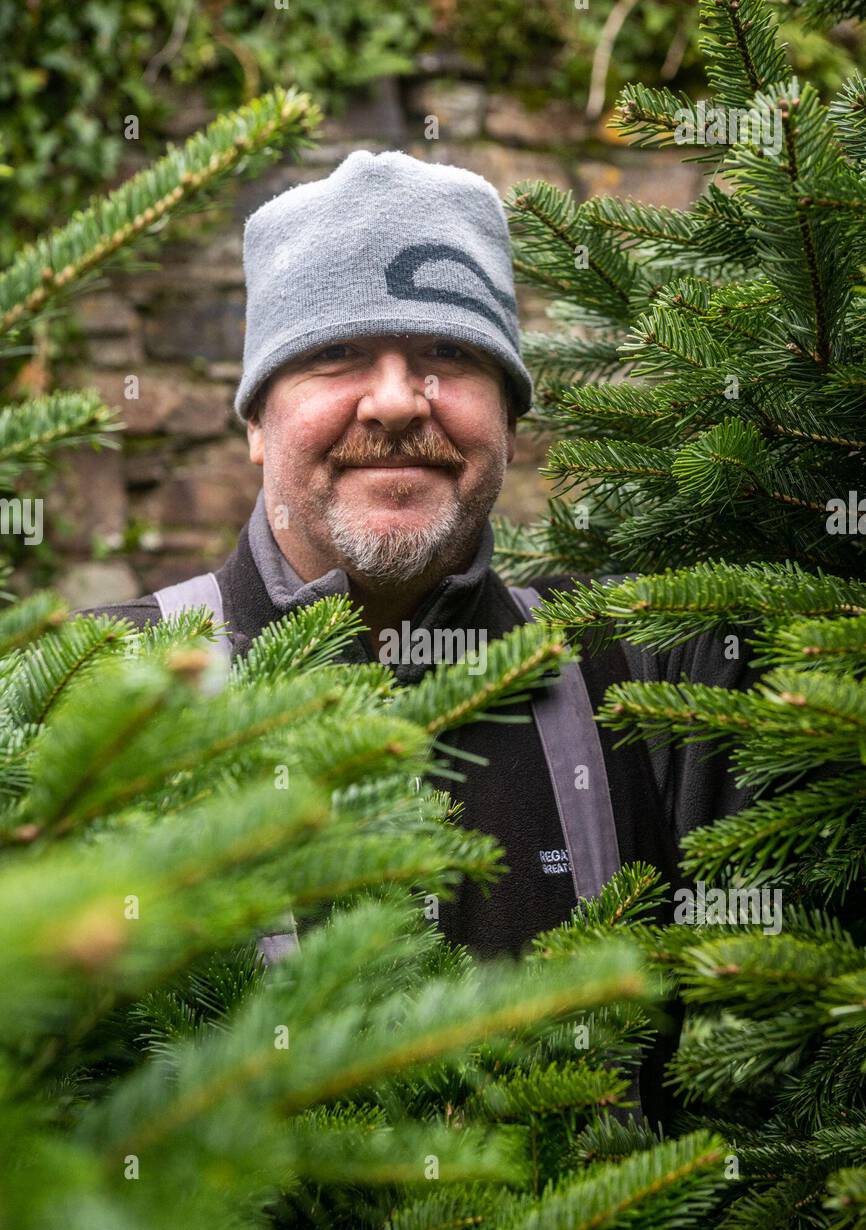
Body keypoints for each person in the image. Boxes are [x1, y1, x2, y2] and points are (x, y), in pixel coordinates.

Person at [90, 150, 755, 1122]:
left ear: (509, 418)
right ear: (253, 424)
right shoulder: (97, 688)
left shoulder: (640, 665)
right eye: (336, 354)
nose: (397, 400)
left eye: (446, 356)